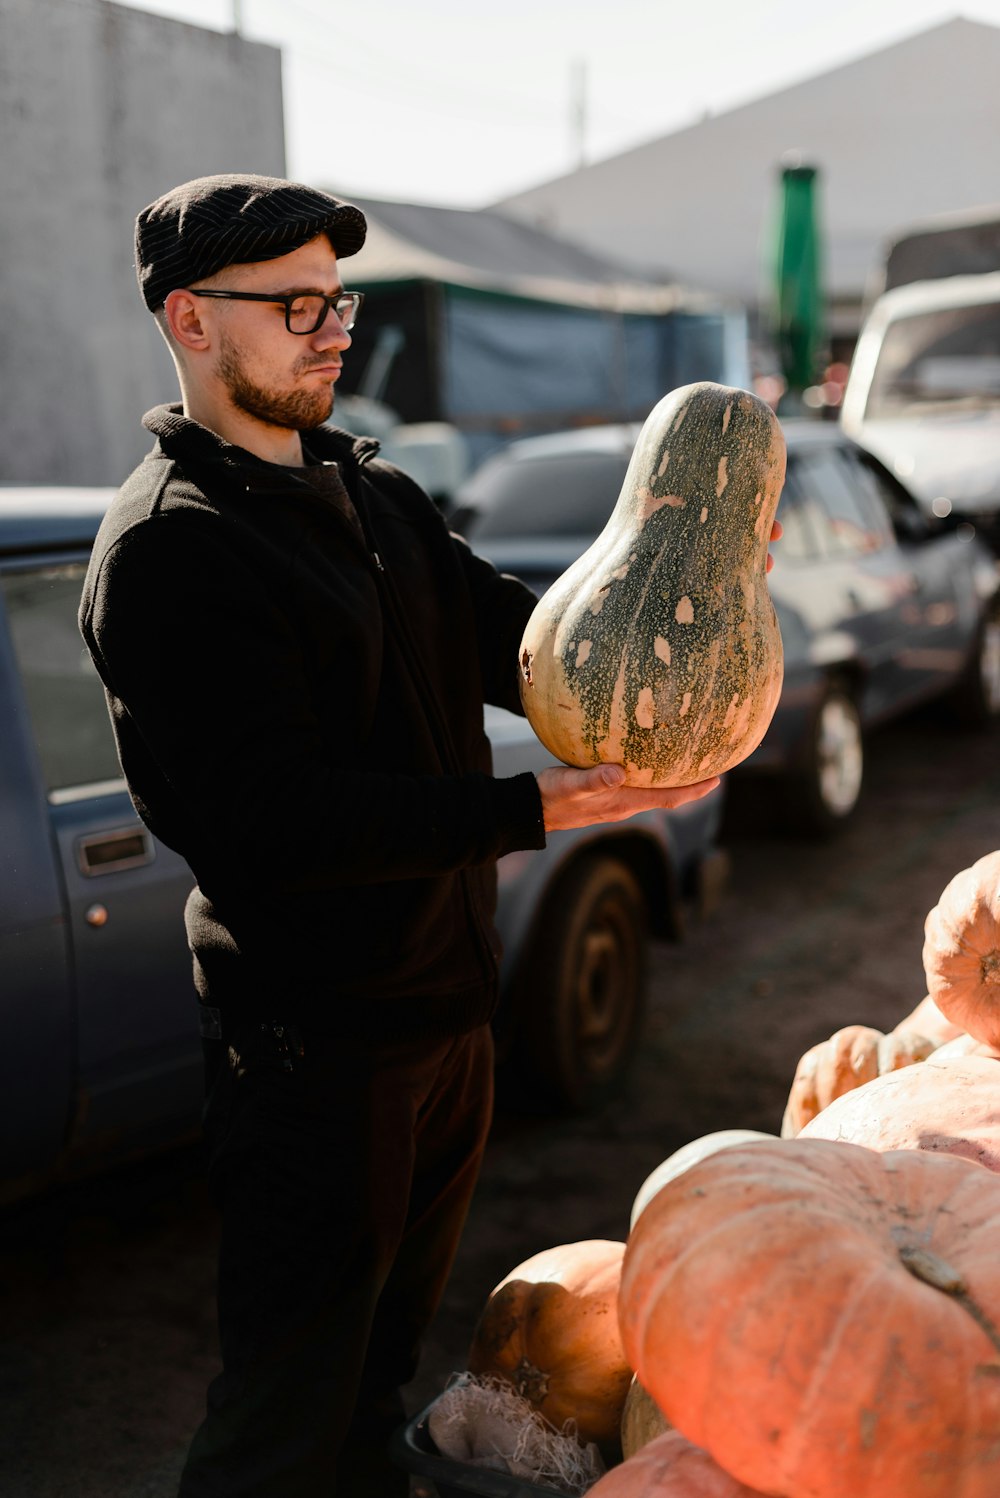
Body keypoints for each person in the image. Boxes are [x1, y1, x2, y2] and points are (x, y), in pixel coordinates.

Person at [78, 173, 736, 1497]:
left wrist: (687, 600)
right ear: (190, 321)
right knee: (284, 1405)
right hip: (314, 1052)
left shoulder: (372, 494)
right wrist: (526, 810)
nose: (336, 330)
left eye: (341, 300)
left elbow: (519, 639)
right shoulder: (172, 549)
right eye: (299, 304)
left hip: (443, 1014)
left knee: (374, 1377)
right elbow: (275, 820)